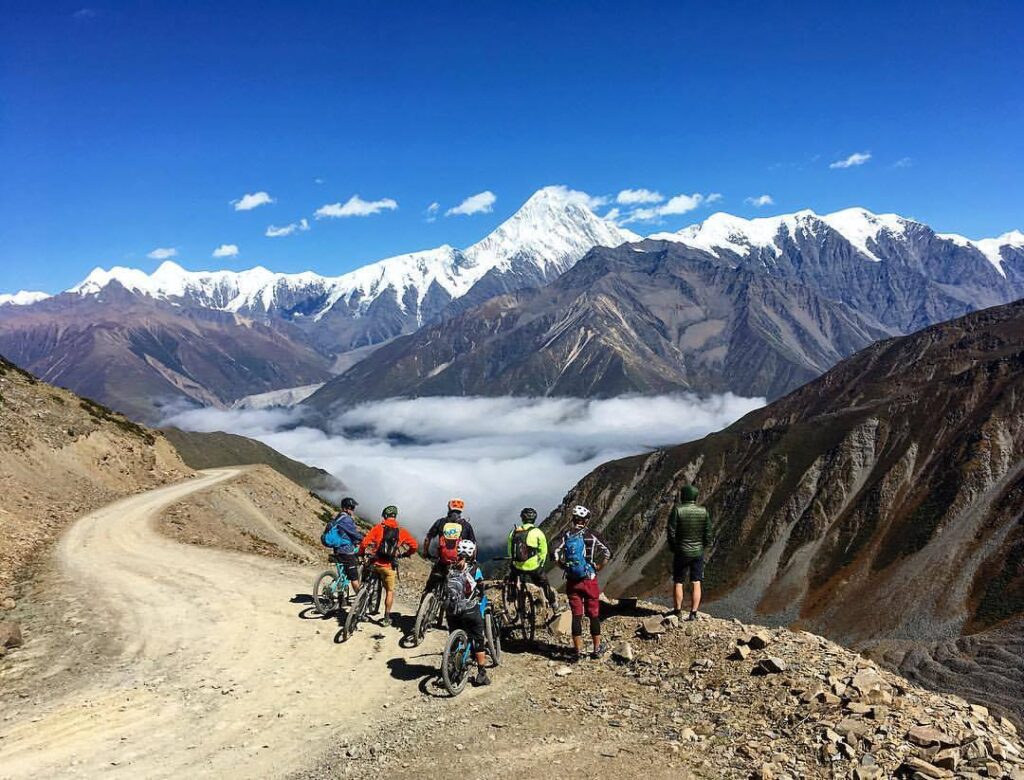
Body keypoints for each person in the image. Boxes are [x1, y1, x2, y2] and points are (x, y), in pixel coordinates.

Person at [553, 505, 612, 661]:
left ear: (573, 519)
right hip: (589, 578)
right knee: (593, 614)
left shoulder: (565, 535)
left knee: (576, 615)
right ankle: (597, 649)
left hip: (572, 580)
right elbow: (608, 552)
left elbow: (554, 553)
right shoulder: (592, 535)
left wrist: (562, 565)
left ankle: (577, 651)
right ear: (586, 520)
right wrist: (599, 566)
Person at [358, 505, 418, 627]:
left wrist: (361, 552)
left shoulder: (378, 528)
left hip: (375, 563)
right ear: (395, 516)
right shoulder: (402, 531)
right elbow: (415, 546)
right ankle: (386, 618)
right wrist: (406, 553)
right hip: (388, 567)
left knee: (366, 584)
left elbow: (364, 542)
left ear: (384, 516)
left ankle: (361, 610)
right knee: (390, 591)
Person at [444, 539, 491, 687]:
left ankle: (451, 663)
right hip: (469, 609)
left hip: (451, 610)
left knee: (455, 633)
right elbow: (481, 589)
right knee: (478, 637)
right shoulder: (475, 569)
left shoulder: (449, 567)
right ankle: (482, 674)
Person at [667, 483, 712, 622]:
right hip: (698, 552)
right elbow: (708, 533)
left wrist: (674, 547)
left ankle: (677, 611)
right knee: (696, 582)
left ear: (683, 495)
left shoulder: (677, 510)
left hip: (681, 551)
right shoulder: (703, 511)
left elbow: (671, 531)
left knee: (679, 581)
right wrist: (702, 545)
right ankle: (693, 613)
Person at [506, 507, 563, 615]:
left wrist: (516, 561)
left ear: (522, 518)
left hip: (518, 566)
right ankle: (555, 607)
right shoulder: (537, 532)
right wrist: (540, 563)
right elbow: (543, 551)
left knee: (512, 575)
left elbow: (510, 551)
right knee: (544, 584)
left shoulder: (514, 532)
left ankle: (512, 596)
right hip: (533, 566)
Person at [420, 498, 476, 597]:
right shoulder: (466, 525)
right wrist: (470, 559)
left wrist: (425, 552)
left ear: (449, 508)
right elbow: (473, 545)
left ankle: (423, 604)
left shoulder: (441, 522)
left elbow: (427, 539)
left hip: (442, 560)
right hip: (458, 562)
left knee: (430, 585)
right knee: (460, 588)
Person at [320, 497, 364, 593]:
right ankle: (360, 601)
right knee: (354, 578)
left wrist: (355, 541)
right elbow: (354, 533)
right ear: (345, 508)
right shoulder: (346, 519)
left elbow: (345, 534)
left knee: (342, 573)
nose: (353, 510)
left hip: (337, 549)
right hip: (346, 551)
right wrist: (365, 540)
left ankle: (341, 595)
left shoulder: (338, 517)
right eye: (351, 507)